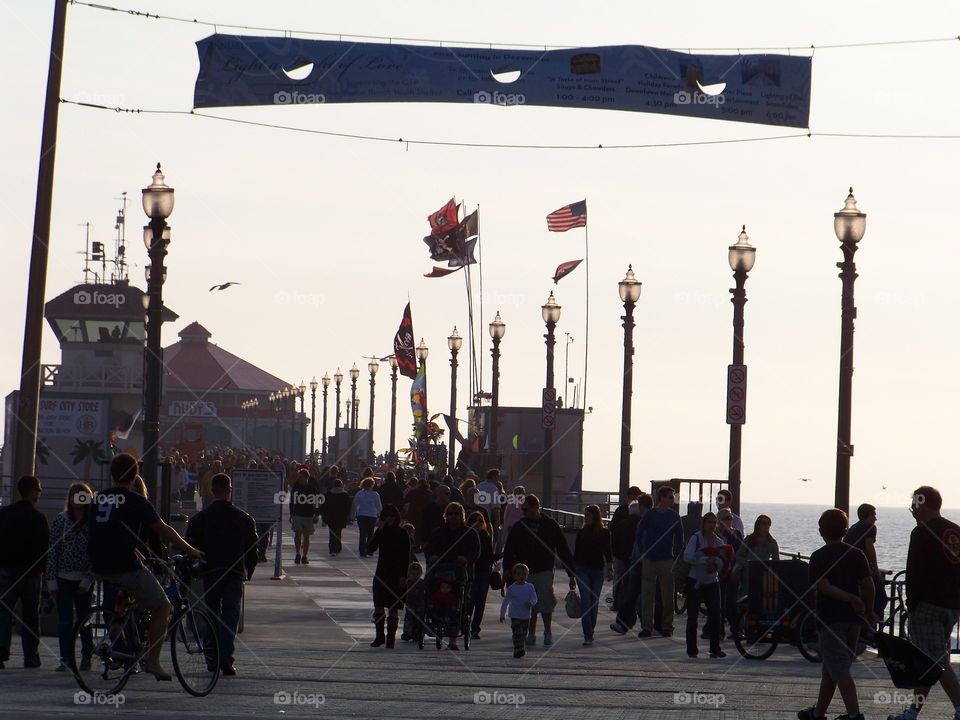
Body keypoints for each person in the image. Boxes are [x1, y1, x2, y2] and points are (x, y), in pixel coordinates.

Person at [86, 454, 203, 681]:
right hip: (123, 566)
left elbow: (108, 535)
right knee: (163, 606)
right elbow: (164, 530)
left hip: (98, 565)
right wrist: (190, 549)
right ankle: (153, 662)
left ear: (112, 474)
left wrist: (137, 552)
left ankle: (120, 634)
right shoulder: (137, 501)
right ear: (135, 475)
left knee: (129, 596)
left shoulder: (98, 499)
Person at [885, 487, 960, 720]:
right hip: (952, 605)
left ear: (923, 504)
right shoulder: (955, 531)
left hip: (927, 605)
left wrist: (912, 602)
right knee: (929, 659)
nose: (912, 510)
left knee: (936, 660)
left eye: (914, 505)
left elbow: (915, 572)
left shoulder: (921, 533)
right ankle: (911, 713)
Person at [797, 508, 874, 720]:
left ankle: (854, 715)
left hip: (830, 619)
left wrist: (848, 598)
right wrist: (868, 609)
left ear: (821, 531)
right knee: (831, 670)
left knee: (839, 670)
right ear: (846, 530)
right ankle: (818, 713)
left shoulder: (818, 557)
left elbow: (824, 586)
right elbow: (868, 585)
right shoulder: (857, 555)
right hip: (854, 621)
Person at [186, 472, 258, 676]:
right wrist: (248, 572)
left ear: (212, 490)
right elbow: (253, 550)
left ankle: (211, 657)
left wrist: (197, 568)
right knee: (230, 614)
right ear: (230, 490)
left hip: (211, 572)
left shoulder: (200, 518)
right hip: (234, 572)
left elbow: (190, 545)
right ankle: (226, 658)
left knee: (211, 613)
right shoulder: (243, 518)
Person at [502, 494, 576, 647]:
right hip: (525, 571)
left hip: (544, 570)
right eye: (522, 509)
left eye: (526, 509)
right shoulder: (520, 526)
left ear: (536, 507)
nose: (524, 512)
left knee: (546, 603)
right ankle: (531, 633)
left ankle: (547, 631)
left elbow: (563, 549)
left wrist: (571, 573)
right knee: (530, 605)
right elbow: (509, 548)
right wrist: (507, 568)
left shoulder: (551, 525)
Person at [0, 476, 49, 669]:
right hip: (31, 573)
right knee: (30, 616)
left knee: (3, 612)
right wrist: (43, 572)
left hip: (6, 571)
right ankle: (31, 656)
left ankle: (1, 650)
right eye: (38, 489)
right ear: (31, 491)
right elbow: (44, 549)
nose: (39, 493)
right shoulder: (38, 518)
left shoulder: (4, 514)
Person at [47, 482, 94, 672]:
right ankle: (66, 657)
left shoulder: (93, 521)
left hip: (84, 578)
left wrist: (88, 578)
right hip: (63, 577)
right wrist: (51, 580)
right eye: (74, 495)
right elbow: (53, 550)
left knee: (85, 618)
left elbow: (96, 553)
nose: (78, 499)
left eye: (82, 495)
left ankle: (86, 656)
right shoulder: (61, 519)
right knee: (65, 619)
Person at [425, 502, 480, 650]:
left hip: (460, 573)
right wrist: (432, 557)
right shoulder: (438, 532)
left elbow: (475, 552)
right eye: (450, 513)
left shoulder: (469, 533)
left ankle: (453, 640)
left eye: (456, 513)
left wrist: (466, 559)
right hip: (440, 572)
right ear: (446, 515)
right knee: (432, 592)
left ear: (462, 516)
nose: (453, 516)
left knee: (459, 602)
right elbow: (429, 549)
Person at [636, 485, 684, 638]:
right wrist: (643, 551)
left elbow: (680, 539)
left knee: (668, 595)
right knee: (647, 594)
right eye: (670, 497)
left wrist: (674, 556)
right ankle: (647, 626)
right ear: (662, 498)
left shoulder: (674, 517)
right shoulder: (650, 515)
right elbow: (639, 532)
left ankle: (667, 626)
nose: (672, 500)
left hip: (667, 560)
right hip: (650, 559)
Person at [683, 512, 727, 659]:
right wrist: (705, 561)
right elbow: (687, 556)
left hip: (712, 581)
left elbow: (723, 561)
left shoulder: (719, 542)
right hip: (695, 580)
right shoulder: (696, 538)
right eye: (709, 522)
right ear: (704, 523)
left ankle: (715, 649)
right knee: (692, 617)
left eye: (715, 523)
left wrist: (716, 565)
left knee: (715, 615)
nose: (712, 525)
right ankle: (692, 650)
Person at [367, 505, 410, 648]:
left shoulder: (402, 533)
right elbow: (371, 548)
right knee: (378, 605)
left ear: (396, 517)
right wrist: (379, 529)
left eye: (392, 516)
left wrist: (404, 576)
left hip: (397, 574)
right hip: (382, 572)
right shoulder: (381, 532)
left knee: (393, 607)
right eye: (386, 516)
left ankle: (390, 638)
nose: (389, 518)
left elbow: (406, 556)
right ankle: (379, 636)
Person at [610, 494, 653, 634]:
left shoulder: (636, 523)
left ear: (641, 506)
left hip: (634, 562)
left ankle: (625, 623)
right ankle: (650, 624)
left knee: (629, 594)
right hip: (645, 562)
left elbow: (615, 541)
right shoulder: (648, 521)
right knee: (645, 595)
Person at [573, 504, 613, 646]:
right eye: (585, 515)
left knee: (594, 603)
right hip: (582, 569)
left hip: (597, 570)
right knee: (586, 602)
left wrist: (610, 567)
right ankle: (588, 635)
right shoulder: (581, 533)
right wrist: (572, 574)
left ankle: (591, 630)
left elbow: (607, 551)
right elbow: (576, 554)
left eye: (588, 515)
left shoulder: (604, 533)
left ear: (595, 516)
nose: (586, 517)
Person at [844, 502, 887, 618]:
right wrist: (876, 569)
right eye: (874, 515)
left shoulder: (854, 527)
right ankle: (872, 620)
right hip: (861, 568)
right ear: (868, 515)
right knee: (881, 598)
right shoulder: (870, 528)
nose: (876, 519)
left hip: (849, 568)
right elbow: (869, 547)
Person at [609, 486, 643, 612]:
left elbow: (612, 529)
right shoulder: (634, 513)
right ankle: (624, 604)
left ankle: (618, 603)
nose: (638, 498)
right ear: (630, 496)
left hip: (621, 553)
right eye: (637, 495)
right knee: (627, 579)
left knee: (620, 579)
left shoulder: (620, 511)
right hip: (629, 554)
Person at [466, 510, 496, 639]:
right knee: (470, 601)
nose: (479, 523)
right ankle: (465, 625)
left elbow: (489, 555)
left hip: (484, 572)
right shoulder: (466, 535)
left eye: (481, 520)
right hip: (471, 572)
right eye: (476, 520)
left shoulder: (485, 535)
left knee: (480, 602)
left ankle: (475, 628)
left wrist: (498, 557)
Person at [500, 563, 538, 658]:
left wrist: (531, 602)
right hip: (515, 615)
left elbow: (534, 598)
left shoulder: (530, 587)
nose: (521, 576)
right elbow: (506, 602)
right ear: (514, 576)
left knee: (523, 634)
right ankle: (519, 649)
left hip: (526, 616)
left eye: (524, 574)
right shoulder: (511, 588)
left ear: (527, 575)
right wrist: (502, 614)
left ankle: (519, 648)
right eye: (519, 574)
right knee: (517, 633)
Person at [289, 468, 322, 564]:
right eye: (299, 477)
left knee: (306, 536)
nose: (299, 479)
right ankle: (298, 553)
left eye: (301, 477)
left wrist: (317, 514)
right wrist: (291, 513)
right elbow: (292, 501)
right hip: (298, 514)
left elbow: (317, 501)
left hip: (308, 514)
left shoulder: (312, 489)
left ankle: (304, 555)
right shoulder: (296, 487)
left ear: (306, 477)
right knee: (298, 533)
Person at [351, 477, 382, 558]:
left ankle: (362, 551)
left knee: (362, 534)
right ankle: (369, 550)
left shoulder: (359, 494)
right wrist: (380, 516)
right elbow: (379, 507)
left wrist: (353, 515)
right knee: (370, 533)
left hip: (361, 515)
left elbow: (355, 505)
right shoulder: (375, 495)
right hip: (372, 515)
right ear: (372, 485)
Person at [321, 477, 352, 556]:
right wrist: (348, 516)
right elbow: (348, 506)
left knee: (332, 533)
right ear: (341, 485)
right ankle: (338, 547)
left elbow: (324, 506)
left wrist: (324, 517)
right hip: (341, 516)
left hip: (331, 516)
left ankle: (332, 549)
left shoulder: (329, 494)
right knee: (338, 532)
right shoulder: (345, 494)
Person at [419, 485, 451, 550]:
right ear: (439, 493)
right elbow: (424, 525)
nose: (449, 495)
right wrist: (424, 541)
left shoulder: (451, 508)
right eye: (447, 493)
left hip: (448, 541)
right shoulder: (429, 508)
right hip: (432, 541)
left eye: (449, 493)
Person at [400, 561, 425, 643]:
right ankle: (407, 633)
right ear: (409, 574)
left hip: (420, 604)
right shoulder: (408, 582)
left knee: (418, 619)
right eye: (413, 574)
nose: (415, 576)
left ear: (421, 573)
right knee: (408, 618)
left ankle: (417, 634)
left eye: (417, 574)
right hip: (410, 603)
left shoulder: (422, 583)